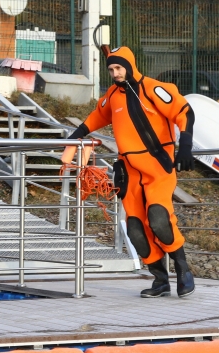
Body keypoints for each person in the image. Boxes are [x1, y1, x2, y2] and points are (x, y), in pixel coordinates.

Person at [61, 46, 196, 298]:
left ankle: (183, 268)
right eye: (111, 69)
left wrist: (185, 144)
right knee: (134, 227)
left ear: (130, 66)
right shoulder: (113, 95)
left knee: (158, 217)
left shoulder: (154, 88)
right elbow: (95, 118)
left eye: (119, 68)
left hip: (158, 167)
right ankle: (160, 279)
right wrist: (74, 137)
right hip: (130, 171)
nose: (115, 73)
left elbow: (184, 111)